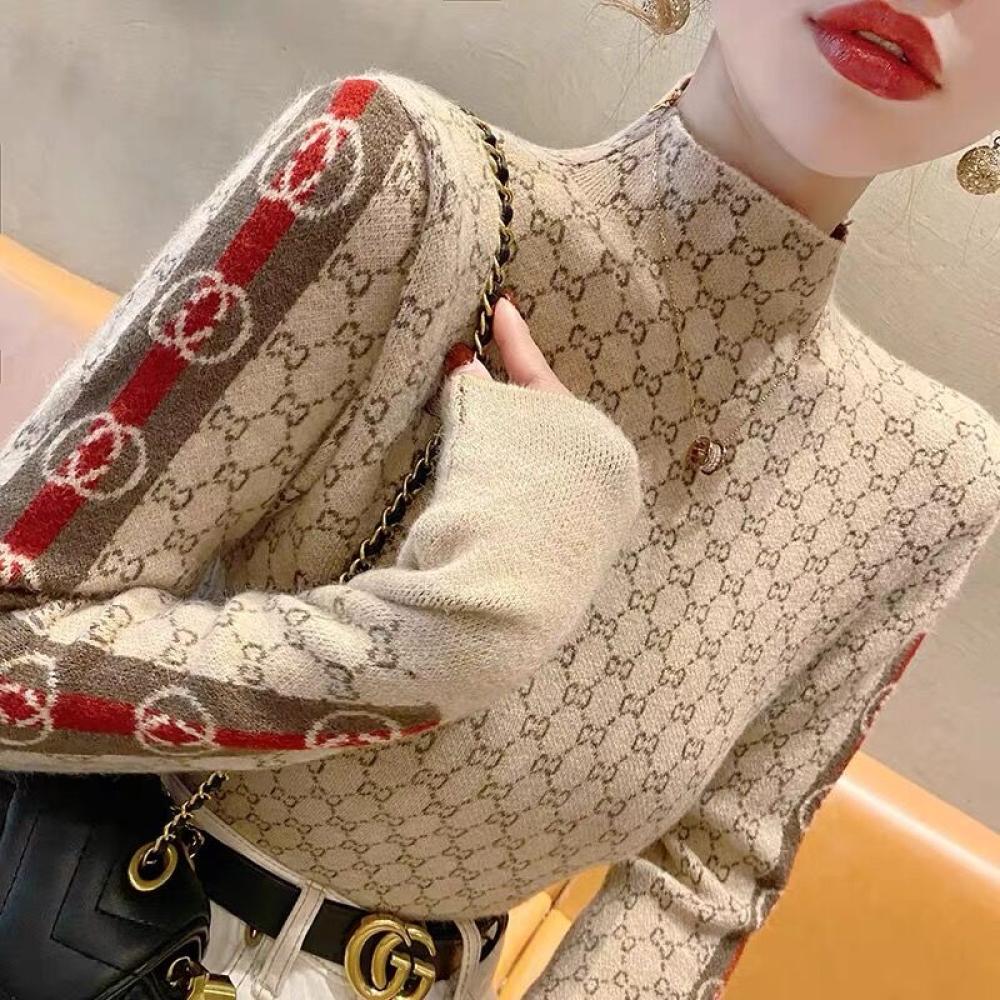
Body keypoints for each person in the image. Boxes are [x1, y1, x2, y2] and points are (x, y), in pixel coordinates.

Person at [1, 1, 998, 997]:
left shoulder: (926, 480)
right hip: (96, 938)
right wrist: (439, 642)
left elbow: (701, 877)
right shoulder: (401, 179)